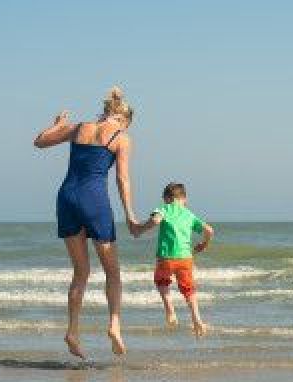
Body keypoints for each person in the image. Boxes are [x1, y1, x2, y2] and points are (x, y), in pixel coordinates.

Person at [34, 86, 138, 358]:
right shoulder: (122, 138)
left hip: (66, 198)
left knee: (80, 273)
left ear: (105, 111)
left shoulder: (79, 127)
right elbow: (122, 180)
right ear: (124, 120)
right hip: (94, 201)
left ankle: (72, 331)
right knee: (113, 272)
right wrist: (130, 215)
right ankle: (115, 325)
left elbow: (40, 141)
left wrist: (56, 125)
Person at [135, 183, 214, 337]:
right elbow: (209, 230)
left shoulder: (163, 209)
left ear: (166, 198)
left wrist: (140, 229)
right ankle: (197, 319)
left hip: (166, 257)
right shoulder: (189, 214)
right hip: (185, 258)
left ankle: (170, 310)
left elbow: (156, 221)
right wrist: (204, 244)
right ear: (184, 199)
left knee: (161, 280)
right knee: (188, 289)